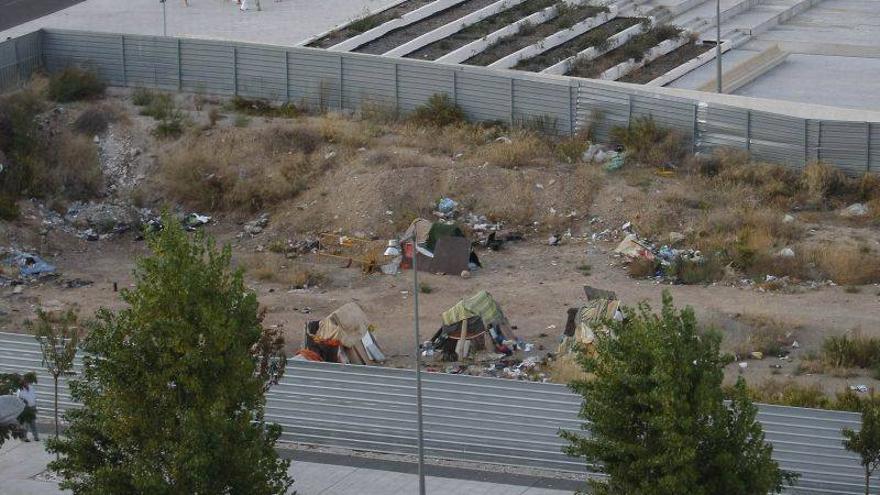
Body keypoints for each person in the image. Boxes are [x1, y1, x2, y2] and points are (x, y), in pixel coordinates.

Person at [16, 375, 38, 442]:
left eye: (27, 381)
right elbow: (19, 400)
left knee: (33, 423)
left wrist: (33, 404)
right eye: (24, 382)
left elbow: (34, 396)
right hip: (25, 408)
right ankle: (24, 437)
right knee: (25, 424)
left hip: (32, 407)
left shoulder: (31, 387)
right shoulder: (20, 390)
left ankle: (36, 436)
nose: (26, 383)